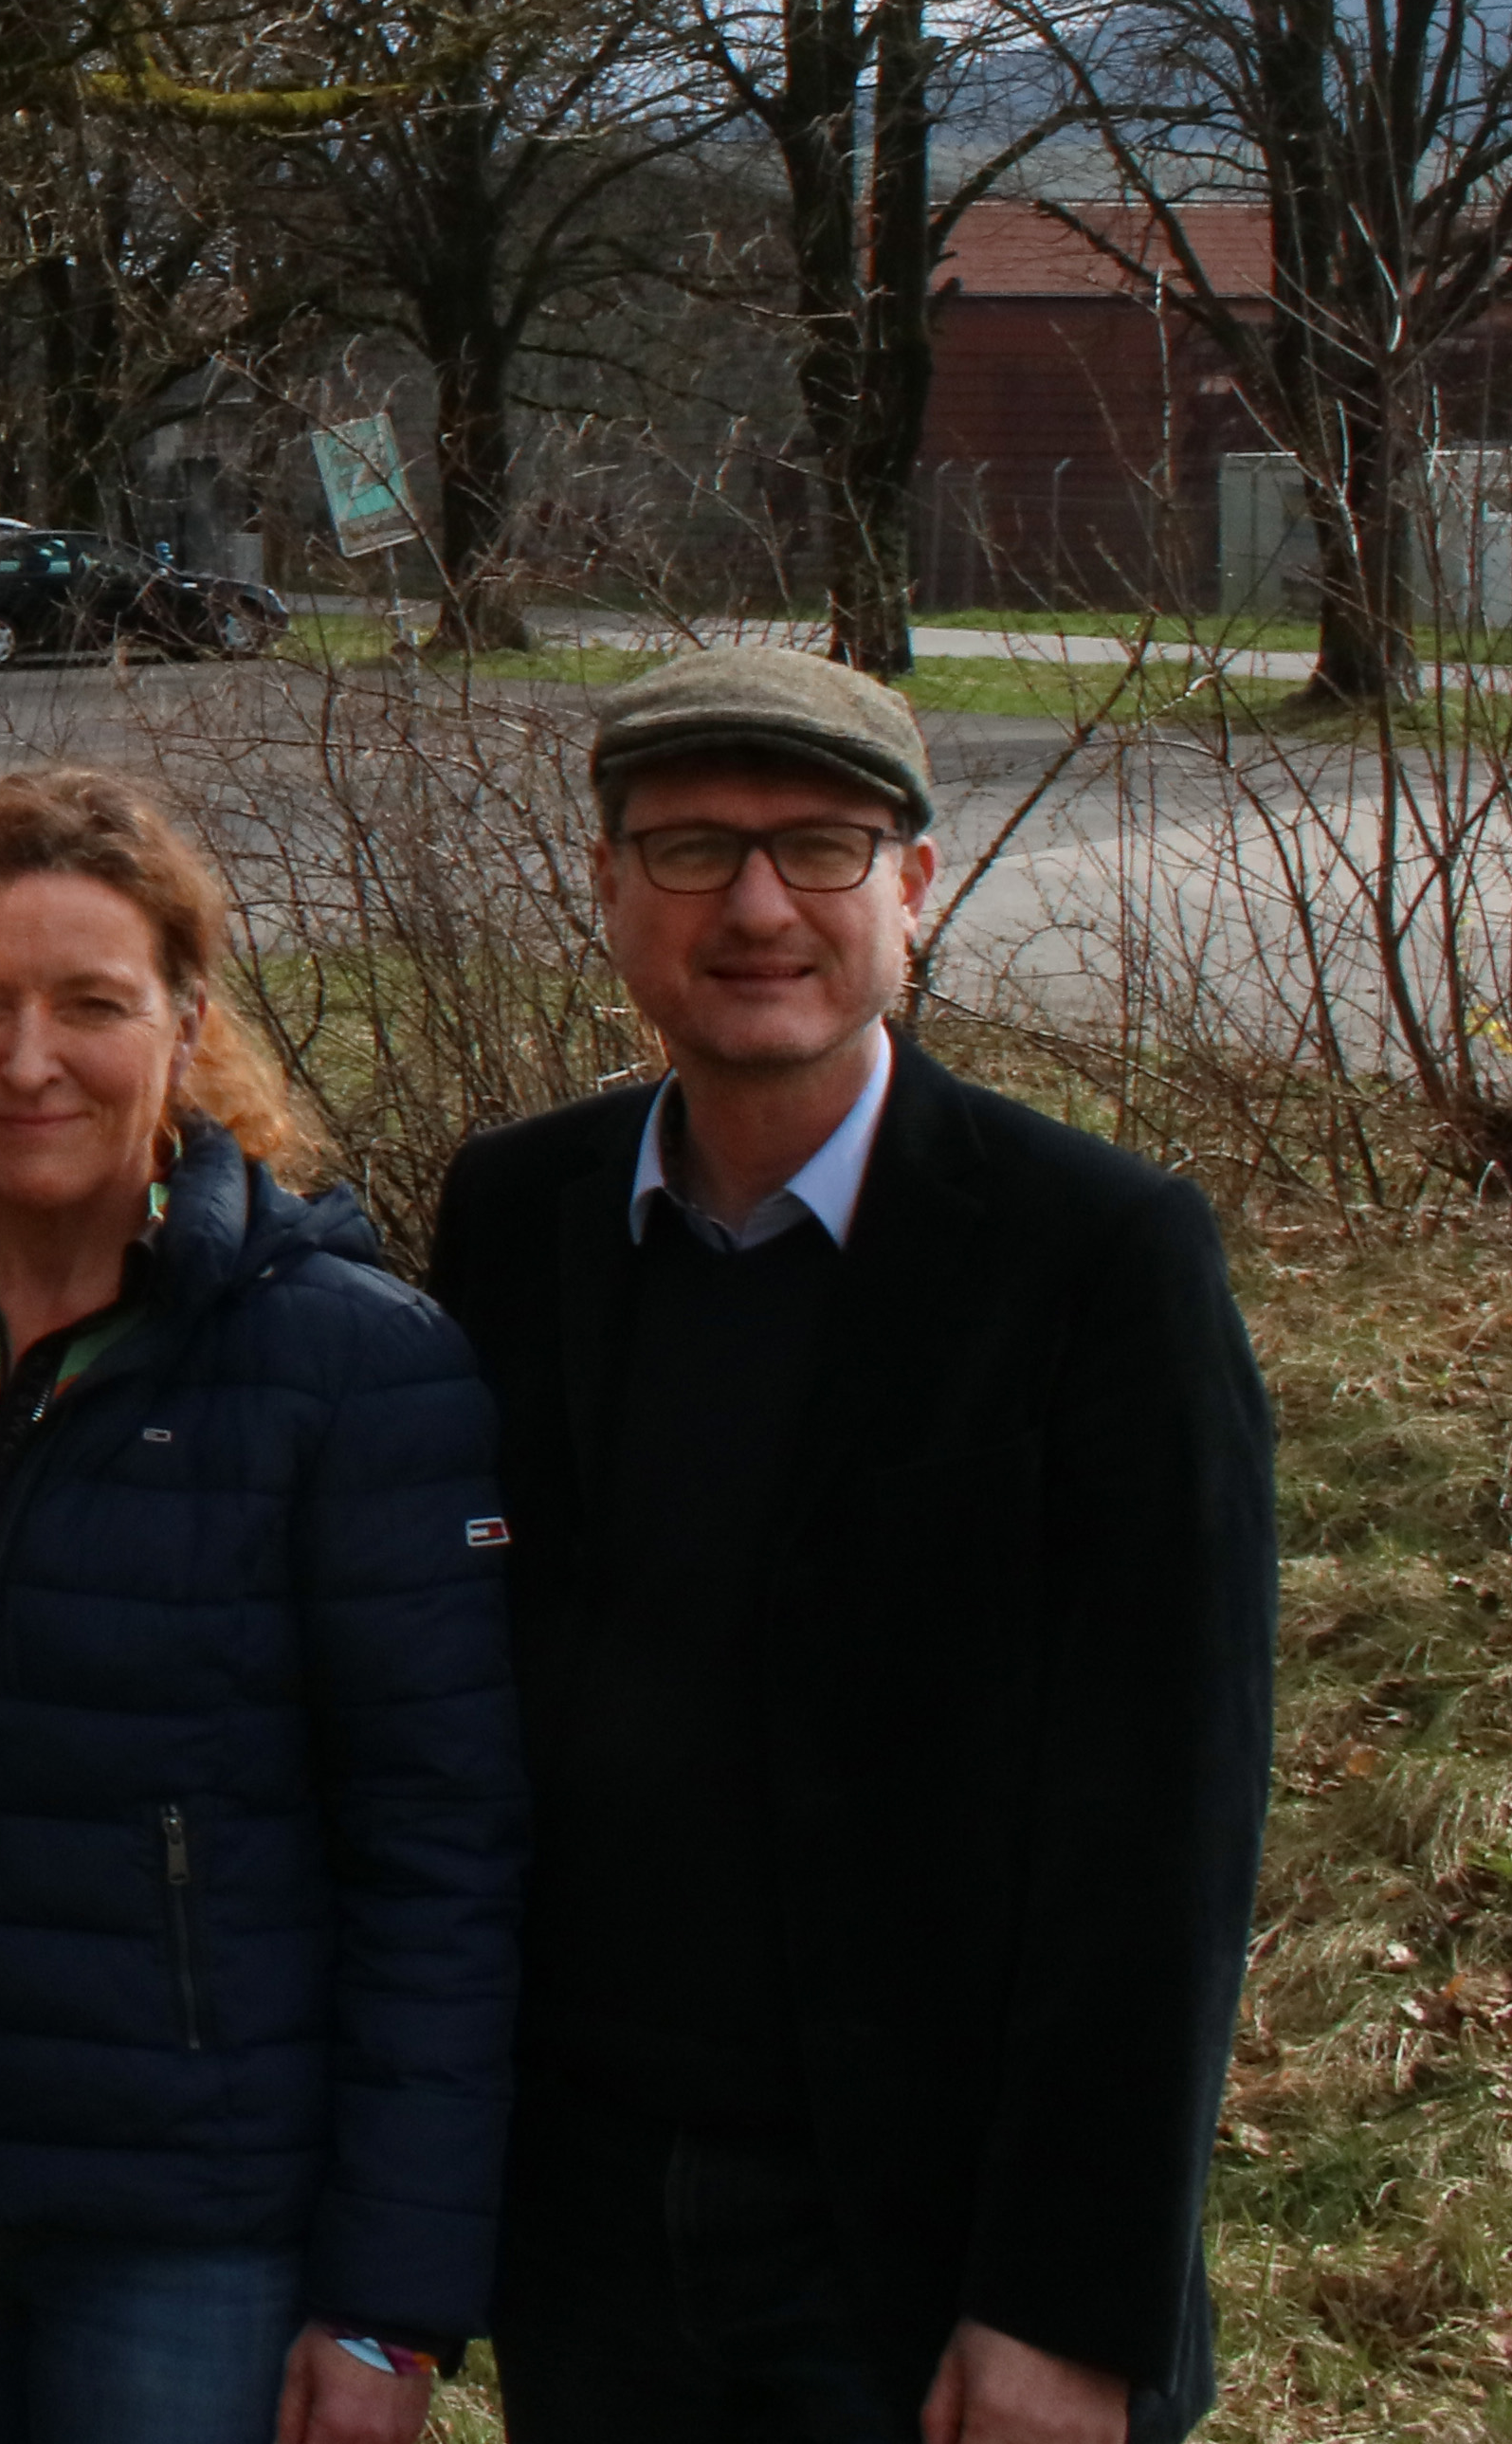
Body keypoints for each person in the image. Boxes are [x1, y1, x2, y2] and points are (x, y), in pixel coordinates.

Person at [427, 646, 1278, 2444]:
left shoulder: (1096, 1261)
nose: (753, 907)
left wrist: (1066, 2302)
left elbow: (1163, 1819)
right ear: (605, 885)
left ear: (913, 885)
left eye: (818, 847)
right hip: (586, 2222)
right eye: (688, 850)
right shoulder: (518, 1217)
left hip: (914, 2243)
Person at [0, 767, 521, 2444]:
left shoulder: (348, 1368)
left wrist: (392, 2304)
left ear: (187, 1020)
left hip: (196, 2226)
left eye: (90, 1004)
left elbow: (441, 1853)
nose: (27, 1059)